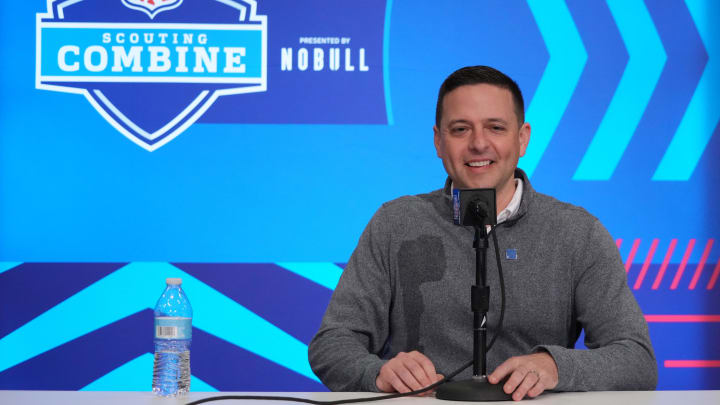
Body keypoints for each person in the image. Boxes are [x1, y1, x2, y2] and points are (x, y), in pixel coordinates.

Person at [308, 66, 657, 401]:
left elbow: (636, 359)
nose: (478, 144)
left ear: (522, 139)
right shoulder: (395, 223)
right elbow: (332, 343)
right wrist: (376, 373)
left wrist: (554, 366)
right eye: (460, 129)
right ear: (438, 141)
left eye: (495, 128)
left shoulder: (577, 232)